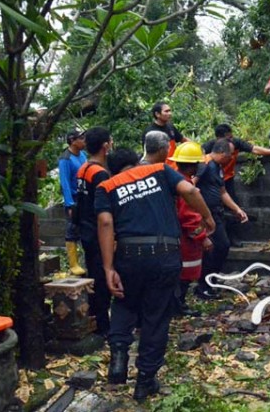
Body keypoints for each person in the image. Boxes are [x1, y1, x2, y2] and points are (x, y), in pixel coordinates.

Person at [96, 147, 215, 402]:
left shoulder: (106, 187)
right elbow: (190, 191)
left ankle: (118, 355)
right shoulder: (160, 171)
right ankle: (145, 381)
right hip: (164, 253)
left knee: (124, 303)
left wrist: (108, 269)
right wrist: (207, 217)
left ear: (114, 168)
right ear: (134, 162)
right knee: (156, 317)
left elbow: (105, 223)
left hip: (129, 254)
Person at [202, 124, 270, 247]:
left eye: (231, 137)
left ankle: (233, 237)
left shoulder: (236, 143)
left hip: (227, 180)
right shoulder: (209, 148)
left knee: (233, 208)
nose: (230, 141)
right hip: (211, 182)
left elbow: (254, 149)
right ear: (219, 140)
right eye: (228, 138)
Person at [194, 139, 248, 299]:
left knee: (221, 247)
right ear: (223, 153)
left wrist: (237, 209)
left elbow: (222, 192)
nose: (232, 158)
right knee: (219, 246)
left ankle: (209, 282)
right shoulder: (204, 165)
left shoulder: (218, 168)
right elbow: (191, 187)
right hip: (206, 215)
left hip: (216, 213)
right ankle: (203, 285)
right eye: (230, 155)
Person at [75, 127, 112, 336]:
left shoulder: (84, 169)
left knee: (94, 273)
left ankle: (96, 319)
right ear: (105, 146)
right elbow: (103, 210)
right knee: (101, 276)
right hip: (98, 233)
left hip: (86, 230)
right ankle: (103, 325)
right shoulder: (100, 174)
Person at [168, 142, 213, 317]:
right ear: (192, 165)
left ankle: (177, 305)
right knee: (184, 275)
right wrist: (203, 237)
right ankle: (178, 307)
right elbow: (189, 218)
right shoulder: (184, 186)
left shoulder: (176, 180)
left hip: (178, 236)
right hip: (186, 240)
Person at [59, 129, 87, 276]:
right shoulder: (65, 159)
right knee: (72, 229)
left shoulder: (82, 155)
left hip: (84, 196)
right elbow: (64, 183)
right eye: (81, 139)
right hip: (74, 199)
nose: (84, 141)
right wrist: (69, 204)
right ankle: (73, 264)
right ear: (72, 140)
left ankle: (83, 260)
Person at [142, 101, 188, 166]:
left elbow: (183, 140)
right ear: (157, 114)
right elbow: (147, 154)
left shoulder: (170, 127)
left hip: (174, 167)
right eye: (166, 111)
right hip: (160, 168)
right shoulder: (150, 132)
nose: (170, 113)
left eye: (170, 111)